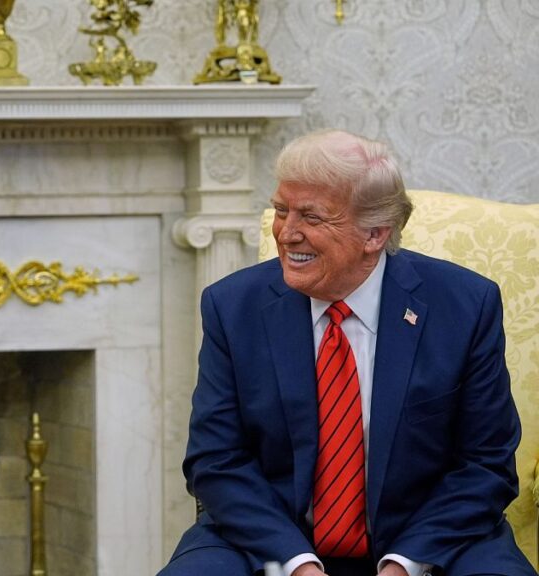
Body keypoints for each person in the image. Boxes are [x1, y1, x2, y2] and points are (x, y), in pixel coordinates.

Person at [160, 130, 536, 576]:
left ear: (374, 234)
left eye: (311, 217)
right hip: (267, 538)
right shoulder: (232, 306)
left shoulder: (464, 306)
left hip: (434, 538)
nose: (286, 233)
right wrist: (297, 563)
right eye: (281, 211)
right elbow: (215, 460)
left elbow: (486, 464)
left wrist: (404, 564)